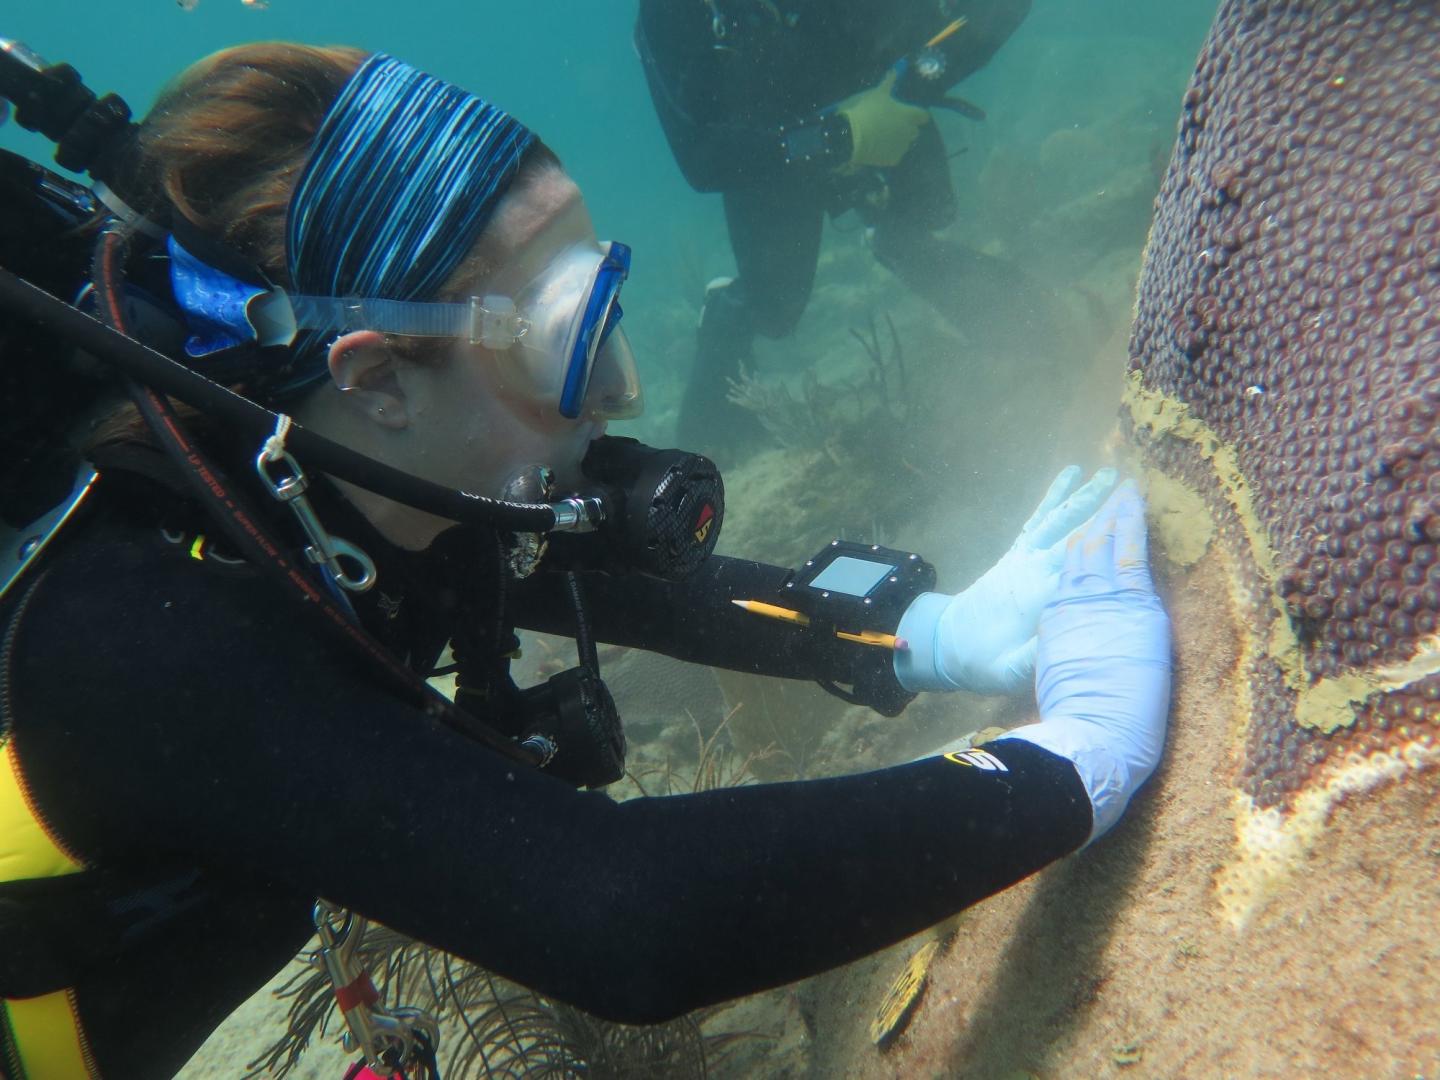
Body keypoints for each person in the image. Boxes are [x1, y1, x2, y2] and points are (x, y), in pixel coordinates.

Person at [0, 43, 1170, 1080]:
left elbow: (601, 573)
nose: (625, 388)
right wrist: (1069, 765)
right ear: (378, 381)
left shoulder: (320, 481)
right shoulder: (153, 638)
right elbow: (628, 915)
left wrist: (919, 632)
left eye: (609, 303)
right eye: (568, 339)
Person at [635, 0, 1041, 452]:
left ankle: (1015, 330)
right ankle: (725, 328)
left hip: (882, 98)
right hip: (770, 156)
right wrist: (840, 138)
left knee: (927, 215)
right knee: (776, 308)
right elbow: (702, 157)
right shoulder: (669, 14)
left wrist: (915, 82)